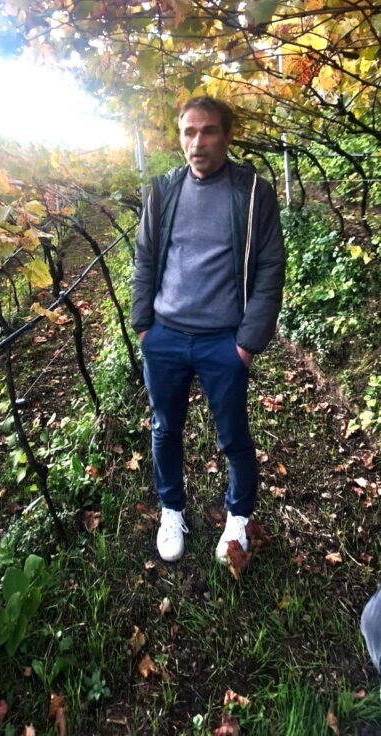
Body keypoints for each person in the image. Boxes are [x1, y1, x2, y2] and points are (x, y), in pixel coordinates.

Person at [131, 96, 285, 563]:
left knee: (233, 436)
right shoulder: (163, 191)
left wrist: (246, 344)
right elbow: (145, 259)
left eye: (208, 131)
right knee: (164, 428)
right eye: (189, 132)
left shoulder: (253, 193)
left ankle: (238, 516)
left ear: (228, 135)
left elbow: (270, 268)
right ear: (180, 136)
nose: (197, 142)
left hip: (223, 342)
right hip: (165, 337)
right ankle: (171, 508)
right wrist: (144, 327)